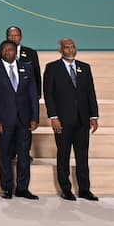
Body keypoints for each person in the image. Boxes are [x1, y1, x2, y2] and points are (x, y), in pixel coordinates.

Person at [43, 38, 100, 201]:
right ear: (60, 50)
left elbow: (91, 93)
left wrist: (93, 116)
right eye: (66, 47)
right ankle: (66, 189)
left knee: (82, 156)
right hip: (62, 120)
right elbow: (49, 95)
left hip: (82, 120)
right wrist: (53, 117)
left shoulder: (85, 67)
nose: (70, 50)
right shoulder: (52, 68)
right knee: (64, 154)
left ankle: (84, 189)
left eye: (72, 47)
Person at [0, 40, 40, 199]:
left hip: (24, 119)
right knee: (5, 154)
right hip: (4, 120)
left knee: (24, 154)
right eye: (5, 50)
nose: (8, 52)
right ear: (1, 52)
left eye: (11, 50)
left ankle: (23, 188)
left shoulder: (27, 67)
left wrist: (35, 117)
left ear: (16, 51)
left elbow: (32, 94)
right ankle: (7, 187)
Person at [0, 26, 42, 94]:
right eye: (10, 35)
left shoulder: (31, 53)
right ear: (6, 37)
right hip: (4, 94)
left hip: (25, 93)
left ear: (21, 37)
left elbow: (36, 74)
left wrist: (37, 94)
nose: (13, 38)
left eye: (16, 35)